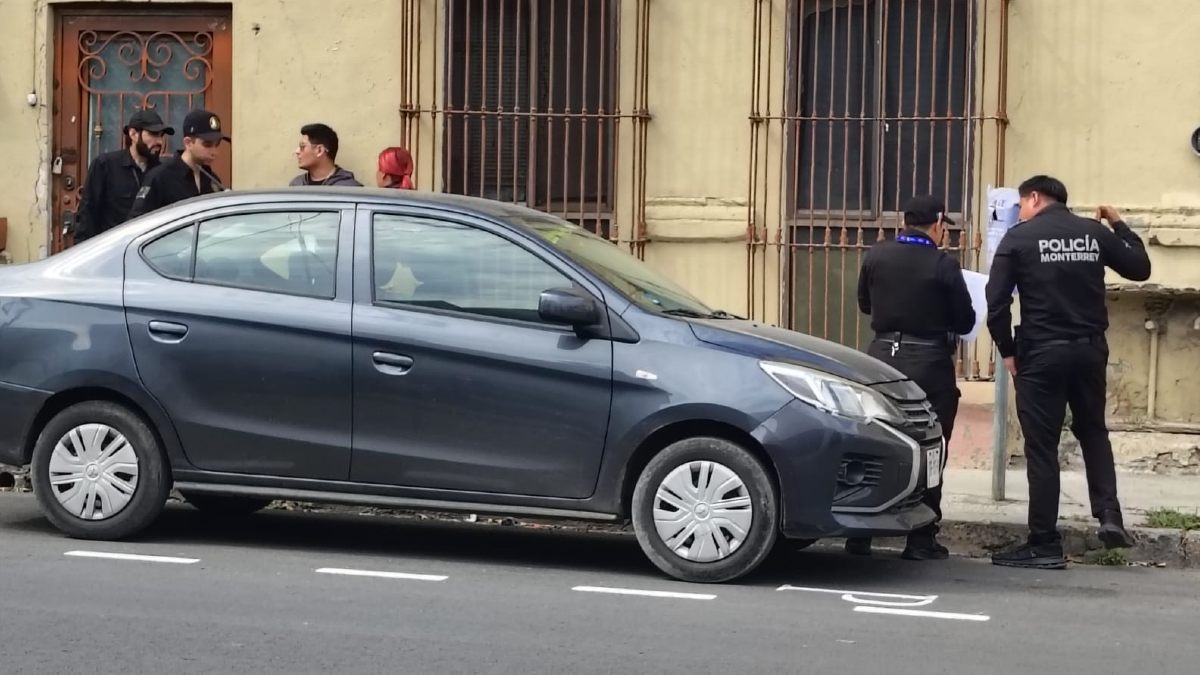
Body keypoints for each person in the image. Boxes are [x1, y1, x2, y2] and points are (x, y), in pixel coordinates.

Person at [985, 175, 1152, 570]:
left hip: (1041, 355)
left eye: (1022, 204)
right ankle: (1109, 515)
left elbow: (996, 304)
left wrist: (1007, 351)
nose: (1020, 212)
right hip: (1090, 351)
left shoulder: (1019, 238)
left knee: (1042, 446)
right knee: (1093, 431)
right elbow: (1140, 268)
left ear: (1035, 198)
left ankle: (1043, 541)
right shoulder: (1093, 233)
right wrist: (1118, 224)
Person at [847, 195, 976, 560]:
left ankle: (861, 533)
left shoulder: (877, 256)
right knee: (932, 447)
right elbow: (965, 320)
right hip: (929, 362)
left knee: (877, 443)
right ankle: (921, 538)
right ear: (937, 225)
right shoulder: (943, 264)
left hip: (881, 360)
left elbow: (865, 304)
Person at [73, 110, 174, 242]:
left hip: (148, 249)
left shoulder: (161, 172)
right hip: (112, 248)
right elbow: (87, 213)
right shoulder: (105, 165)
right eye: (153, 134)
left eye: (161, 136)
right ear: (133, 134)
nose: (159, 141)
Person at [128, 109, 229, 219]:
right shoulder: (160, 177)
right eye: (207, 145)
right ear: (188, 143)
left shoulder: (212, 180)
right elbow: (137, 222)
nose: (214, 152)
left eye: (217, 145)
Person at [290, 123, 362, 186]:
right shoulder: (297, 185)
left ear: (320, 150)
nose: (297, 151)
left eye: (302, 147)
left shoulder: (348, 189)